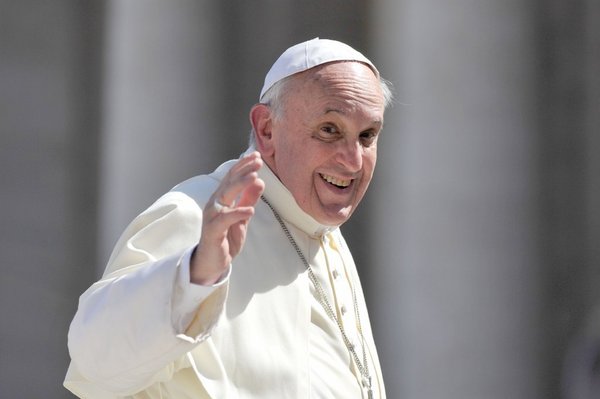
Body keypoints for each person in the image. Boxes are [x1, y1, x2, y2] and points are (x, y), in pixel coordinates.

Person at [64, 37, 393, 399]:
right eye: (329, 130)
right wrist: (197, 274)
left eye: (367, 136)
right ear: (267, 129)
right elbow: (94, 362)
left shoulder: (324, 234)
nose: (353, 161)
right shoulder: (197, 214)